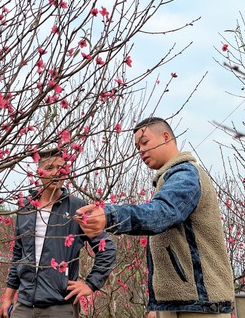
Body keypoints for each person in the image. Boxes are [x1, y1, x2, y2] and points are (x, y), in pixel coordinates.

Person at [75, 117, 235, 318]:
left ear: (166, 137)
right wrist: (159, 306)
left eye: (145, 142)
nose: (140, 150)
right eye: (137, 146)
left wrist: (109, 215)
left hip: (200, 303)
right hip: (177, 303)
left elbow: (161, 213)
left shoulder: (185, 174)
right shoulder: (168, 178)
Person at [0, 148, 116, 318]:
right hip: (24, 305)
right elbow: (18, 254)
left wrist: (90, 284)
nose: (56, 173)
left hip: (60, 306)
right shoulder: (25, 207)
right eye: (49, 168)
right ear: (38, 172)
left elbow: (107, 248)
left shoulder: (77, 208)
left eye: (60, 168)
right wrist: (8, 297)